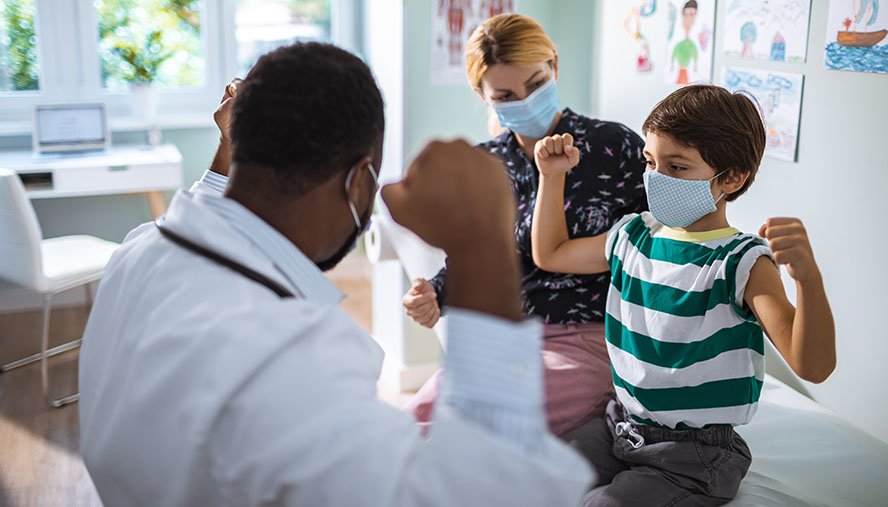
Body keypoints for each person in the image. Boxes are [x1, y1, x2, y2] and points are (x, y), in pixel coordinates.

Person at [78, 42, 593, 506]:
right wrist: (482, 242)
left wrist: (228, 146)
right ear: (359, 183)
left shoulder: (138, 252)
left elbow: (204, 209)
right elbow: (489, 489)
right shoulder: (287, 358)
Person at [530, 84, 836, 506]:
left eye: (677, 167)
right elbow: (551, 253)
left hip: (694, 454)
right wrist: (551, 177)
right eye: (651, 162)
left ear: (732, 177)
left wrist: (808, 279)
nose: (656, 179)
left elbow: (812, 365)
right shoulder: (633, 235)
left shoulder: (741, 262)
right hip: (620, 424)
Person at [402, 13, 648, 437]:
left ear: (554, 65)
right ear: (483, 96)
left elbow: (657, 247)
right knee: (410, 423)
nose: (526, 101)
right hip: (507, 342)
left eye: (536, 84)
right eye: (506, 95)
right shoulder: (482, 166)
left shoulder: (615, 146)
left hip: (593, 340)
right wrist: (434, 294)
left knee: (455, 433)